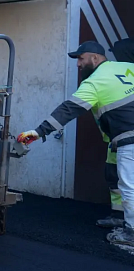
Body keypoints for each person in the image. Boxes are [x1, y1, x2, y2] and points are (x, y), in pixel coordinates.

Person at [18, 41, 134, 247]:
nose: (78, 64)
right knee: (113, 173)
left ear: (95, 58)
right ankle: (119, 216)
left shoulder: (95, 81)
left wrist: (38, 132)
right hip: (119, 140)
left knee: (129, 186)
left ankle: (131, 232)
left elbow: (69, 110)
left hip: (129, 139)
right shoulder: (128, 67)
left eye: (81, 58)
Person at [95, 38, 134, 228]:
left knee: (125, 181)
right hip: (115, 140)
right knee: (114, 177)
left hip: (124, 139)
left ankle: (128, 223)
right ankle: (118, 215)